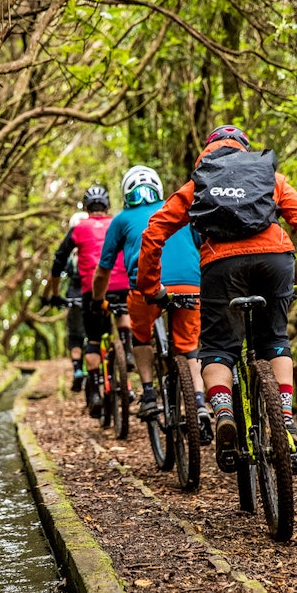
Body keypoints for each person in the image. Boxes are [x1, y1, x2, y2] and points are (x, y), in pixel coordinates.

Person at [136, 125, 297, 470]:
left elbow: (154, 232)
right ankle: (284, 417)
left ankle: (223, 411)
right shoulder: (269, 177)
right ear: (244, 149)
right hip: (275, 260)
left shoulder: (200, 183)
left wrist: (150, 287)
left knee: (219, 349)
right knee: (275, 341)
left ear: (208, 151)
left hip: (222, 266)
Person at [91, 165, 210, 442]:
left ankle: (147, 394)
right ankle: (199, 403)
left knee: (141, 338)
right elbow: (202, 244)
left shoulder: (121, 220)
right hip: (190, 284)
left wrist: (97, 300)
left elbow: (103, 270)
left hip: (146, 287)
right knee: (189, 348)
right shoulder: (177, 209)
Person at [44, 186, 131, 418]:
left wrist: (55, 293)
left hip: (92, 290)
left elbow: (59, 260)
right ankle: (127, 350)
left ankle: (94, 395)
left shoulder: (79, 228)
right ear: (107, 206)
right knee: (123, 310)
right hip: (122, 285)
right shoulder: (118, 223)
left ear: (85, 208)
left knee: (92, 340)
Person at [43, 211, 89, 391]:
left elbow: (54, 272)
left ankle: (77, 370)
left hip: (75, 295)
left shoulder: (70, 253)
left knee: (75, 336)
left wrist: (50, 296)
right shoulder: (99, 244)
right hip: (98, 292)